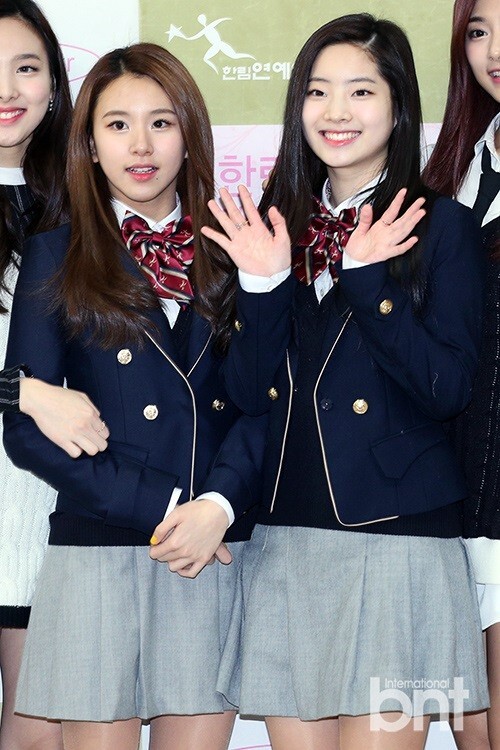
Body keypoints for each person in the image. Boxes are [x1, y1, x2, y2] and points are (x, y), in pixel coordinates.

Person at [202, 13, 488, 750]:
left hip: (400, 543)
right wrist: (262, 287)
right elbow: (246, 394)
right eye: (318, 91)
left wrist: (368, 283)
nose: (336, 111)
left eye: (361, 91)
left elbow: (449, 389)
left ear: (398, 106)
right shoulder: (271, 228)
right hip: (288, 538)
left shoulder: (444, 228)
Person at [3, 42, 265, 750]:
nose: (141, 145)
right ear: (89, 143)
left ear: (190, 133)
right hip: (100, 543)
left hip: (210, 549)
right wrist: (165, 507)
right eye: (117, 125)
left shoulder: (239, 247)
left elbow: (267, 401)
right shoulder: (55, 253)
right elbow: (25, 427)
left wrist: (217, 506)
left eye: (161, 122)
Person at [0, 2, 109, 748]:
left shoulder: (83, 207)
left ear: (53, 84)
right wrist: (25, 392)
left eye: (26, 68)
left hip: (40, 503)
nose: (8, 90)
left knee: (36, 728)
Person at [424, 0, 500, 747]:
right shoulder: (450, 175)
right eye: (479, 32)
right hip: (448, 497)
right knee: (469, 724)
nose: (494, 51)